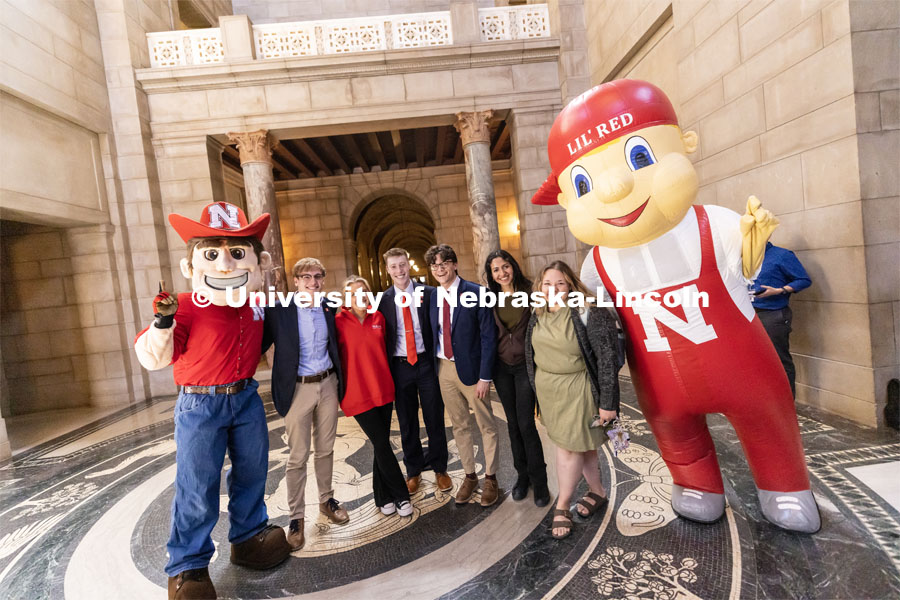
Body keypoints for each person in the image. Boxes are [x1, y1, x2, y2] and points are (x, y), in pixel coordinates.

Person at [134, 201, 290, 600]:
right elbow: (154, 356)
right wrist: (162, 322)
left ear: (258, 262)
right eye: (212, 254)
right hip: (200, 404)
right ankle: (187, 565)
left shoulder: (256, 304)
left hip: (245, 397)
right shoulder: (184, 307)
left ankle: (249, 536)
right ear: (192, 266)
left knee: (253, 472)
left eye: (237, 253)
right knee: (197, 483)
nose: (224, 265)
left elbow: (274, 335)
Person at [524, 261, 621, 540]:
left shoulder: (588, 310)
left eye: (560, 284)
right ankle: (598, 492)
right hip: (549, 392)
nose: (552, 289)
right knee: (583, 446)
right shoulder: (537, 311)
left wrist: (608, 403)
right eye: (546, 284)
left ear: (571, 285)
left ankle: (563, 504)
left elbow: (606, 358)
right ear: (539, 286)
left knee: (568, 449)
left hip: (578, 389)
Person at [262, 258, 349, 552]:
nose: (313, 282)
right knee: (297, 456)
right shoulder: (279, 310)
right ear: (296, 281)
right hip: (297, 387)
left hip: (327, 384)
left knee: (325, 449)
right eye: (307, 277)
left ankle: (326, 500)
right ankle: (296, 517)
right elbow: (256, 343)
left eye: (318, 276)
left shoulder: (329, 306)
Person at [425, 244, 501, 507]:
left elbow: (489, 337)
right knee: (459, 425)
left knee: (486, 424)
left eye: (444, 263)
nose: (439, 269)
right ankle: (470, 476)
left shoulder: (477, 293)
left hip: (473, 369)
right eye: (434, 265)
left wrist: (485, 376)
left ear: (455, 264)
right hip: (443, 368)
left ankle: (491, 477)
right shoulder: (432, 297)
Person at [335, 276, 413, 517]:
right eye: (354, 293)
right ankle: (401, 495)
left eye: (364, 292)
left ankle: (382, 496)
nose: (361, 297)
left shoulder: (378, 318)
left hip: (382, 390)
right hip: (356, 395)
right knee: (381, 442)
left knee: (381, 444)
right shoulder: (337, 322)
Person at [378, 248, 452, 495]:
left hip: (425, 363)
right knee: (407, 420)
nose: (399, 270)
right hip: (400, 366)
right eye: (394, 266)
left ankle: (440, 467)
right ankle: (413, 471)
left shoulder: (429, 294)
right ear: (387, 270)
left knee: (434, 416)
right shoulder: (383, 300)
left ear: (408, 265)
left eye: (402, 265)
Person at [484, 249, 549, 507]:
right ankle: (522, 478)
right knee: (512, 424)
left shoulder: (531, 293)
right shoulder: (490, 299)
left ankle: (540, 480)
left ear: (513, 266)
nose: (502, 273)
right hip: (501, 368)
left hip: (525, 366)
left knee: (526, 424)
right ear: (491, 275)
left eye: (505, 266)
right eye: (496, 270)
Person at [751, 242, 811, 398]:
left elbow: (803, 279)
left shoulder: (781, 255)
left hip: (772, 313)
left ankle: (786, 402)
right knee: (755, 360)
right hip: (749, 314)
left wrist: (780, 290)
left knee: (779, 360)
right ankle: (766, 400)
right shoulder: (744, 257)